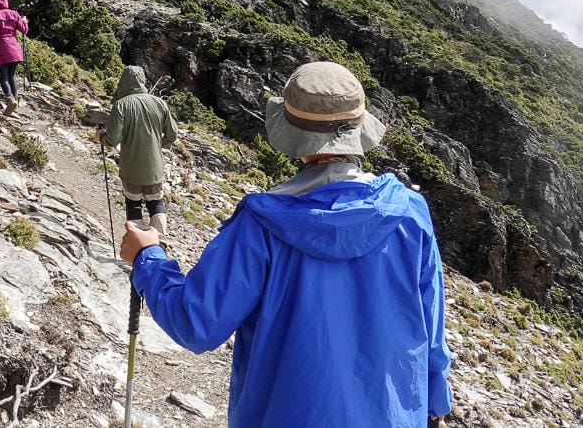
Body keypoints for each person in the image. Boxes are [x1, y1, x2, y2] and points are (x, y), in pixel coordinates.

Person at [121, 61, 453, 428]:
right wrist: (435, 400)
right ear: (359, 130)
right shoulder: (410, 213)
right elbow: (431, 332)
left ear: (293, 134)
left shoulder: (261, 224)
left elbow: (195, 322)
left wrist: (147, 257)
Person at [95, 65, 178, 237]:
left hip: (131, 168)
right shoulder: (160, 103)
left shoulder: (121, 105)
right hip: (154, 167)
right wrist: (157, 144)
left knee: (133, 205)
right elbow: (172, 134)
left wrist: (100, 136)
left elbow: (112, 140)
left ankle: (139, 248)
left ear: (123, 82)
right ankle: (160, 243)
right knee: (156, 204)